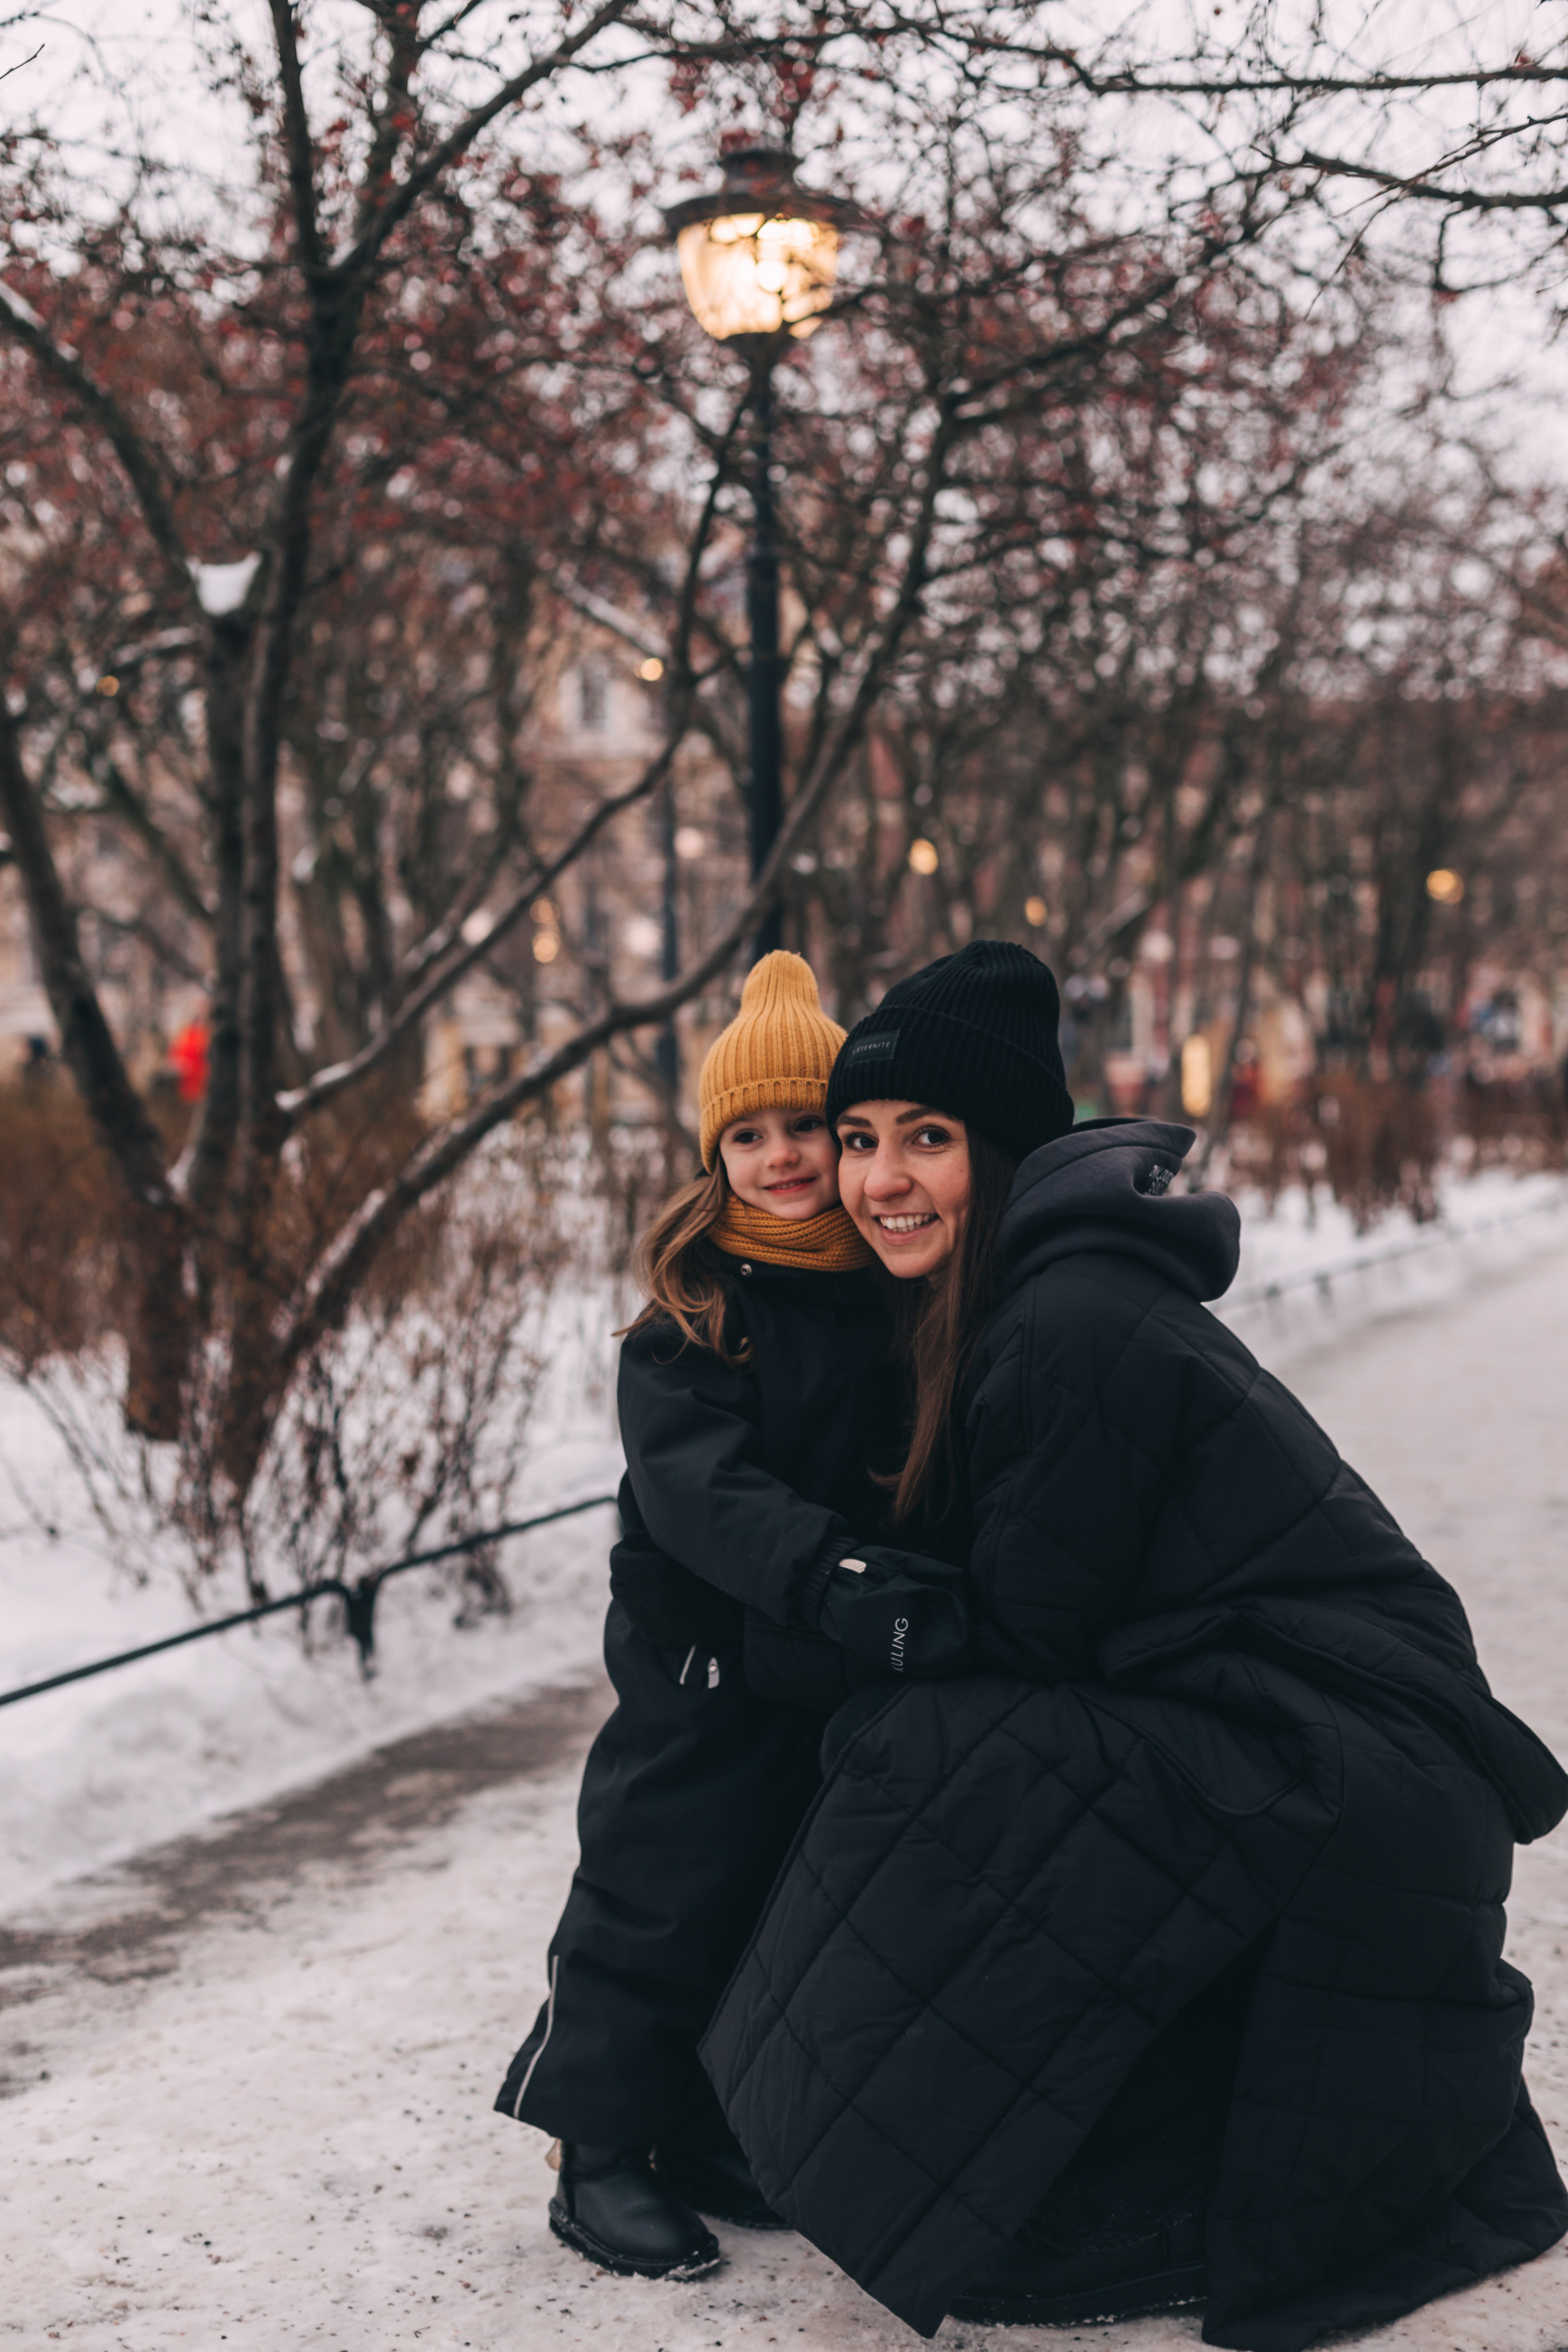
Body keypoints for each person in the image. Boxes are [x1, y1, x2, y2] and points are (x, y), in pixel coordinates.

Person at [703, 938, 1568, 2348]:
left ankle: (1088, 2170)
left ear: (1001, 1150)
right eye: (856, 1140)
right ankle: (1026, 2146)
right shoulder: (1003, 1297)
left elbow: (1026, 1635)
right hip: (1287, 1716)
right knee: (949, 1734)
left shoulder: (1064, 1322)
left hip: (1350, 1762)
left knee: (951, 1746)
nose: (878, 1179)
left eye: (926, 1139)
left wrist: (812, 1637)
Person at [493, 951, 969, 2282]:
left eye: (806, 1125)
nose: (780, 1156)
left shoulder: (892, 1286)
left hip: (822, 1651)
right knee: (662, 1886)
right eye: (746, 1134)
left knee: (776, 1891)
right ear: (714, 1154)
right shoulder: (696, 1311)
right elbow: (704, 1494)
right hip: (704, 1654)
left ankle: (706, 2128)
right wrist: (837, 1576)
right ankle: (596, 2146)